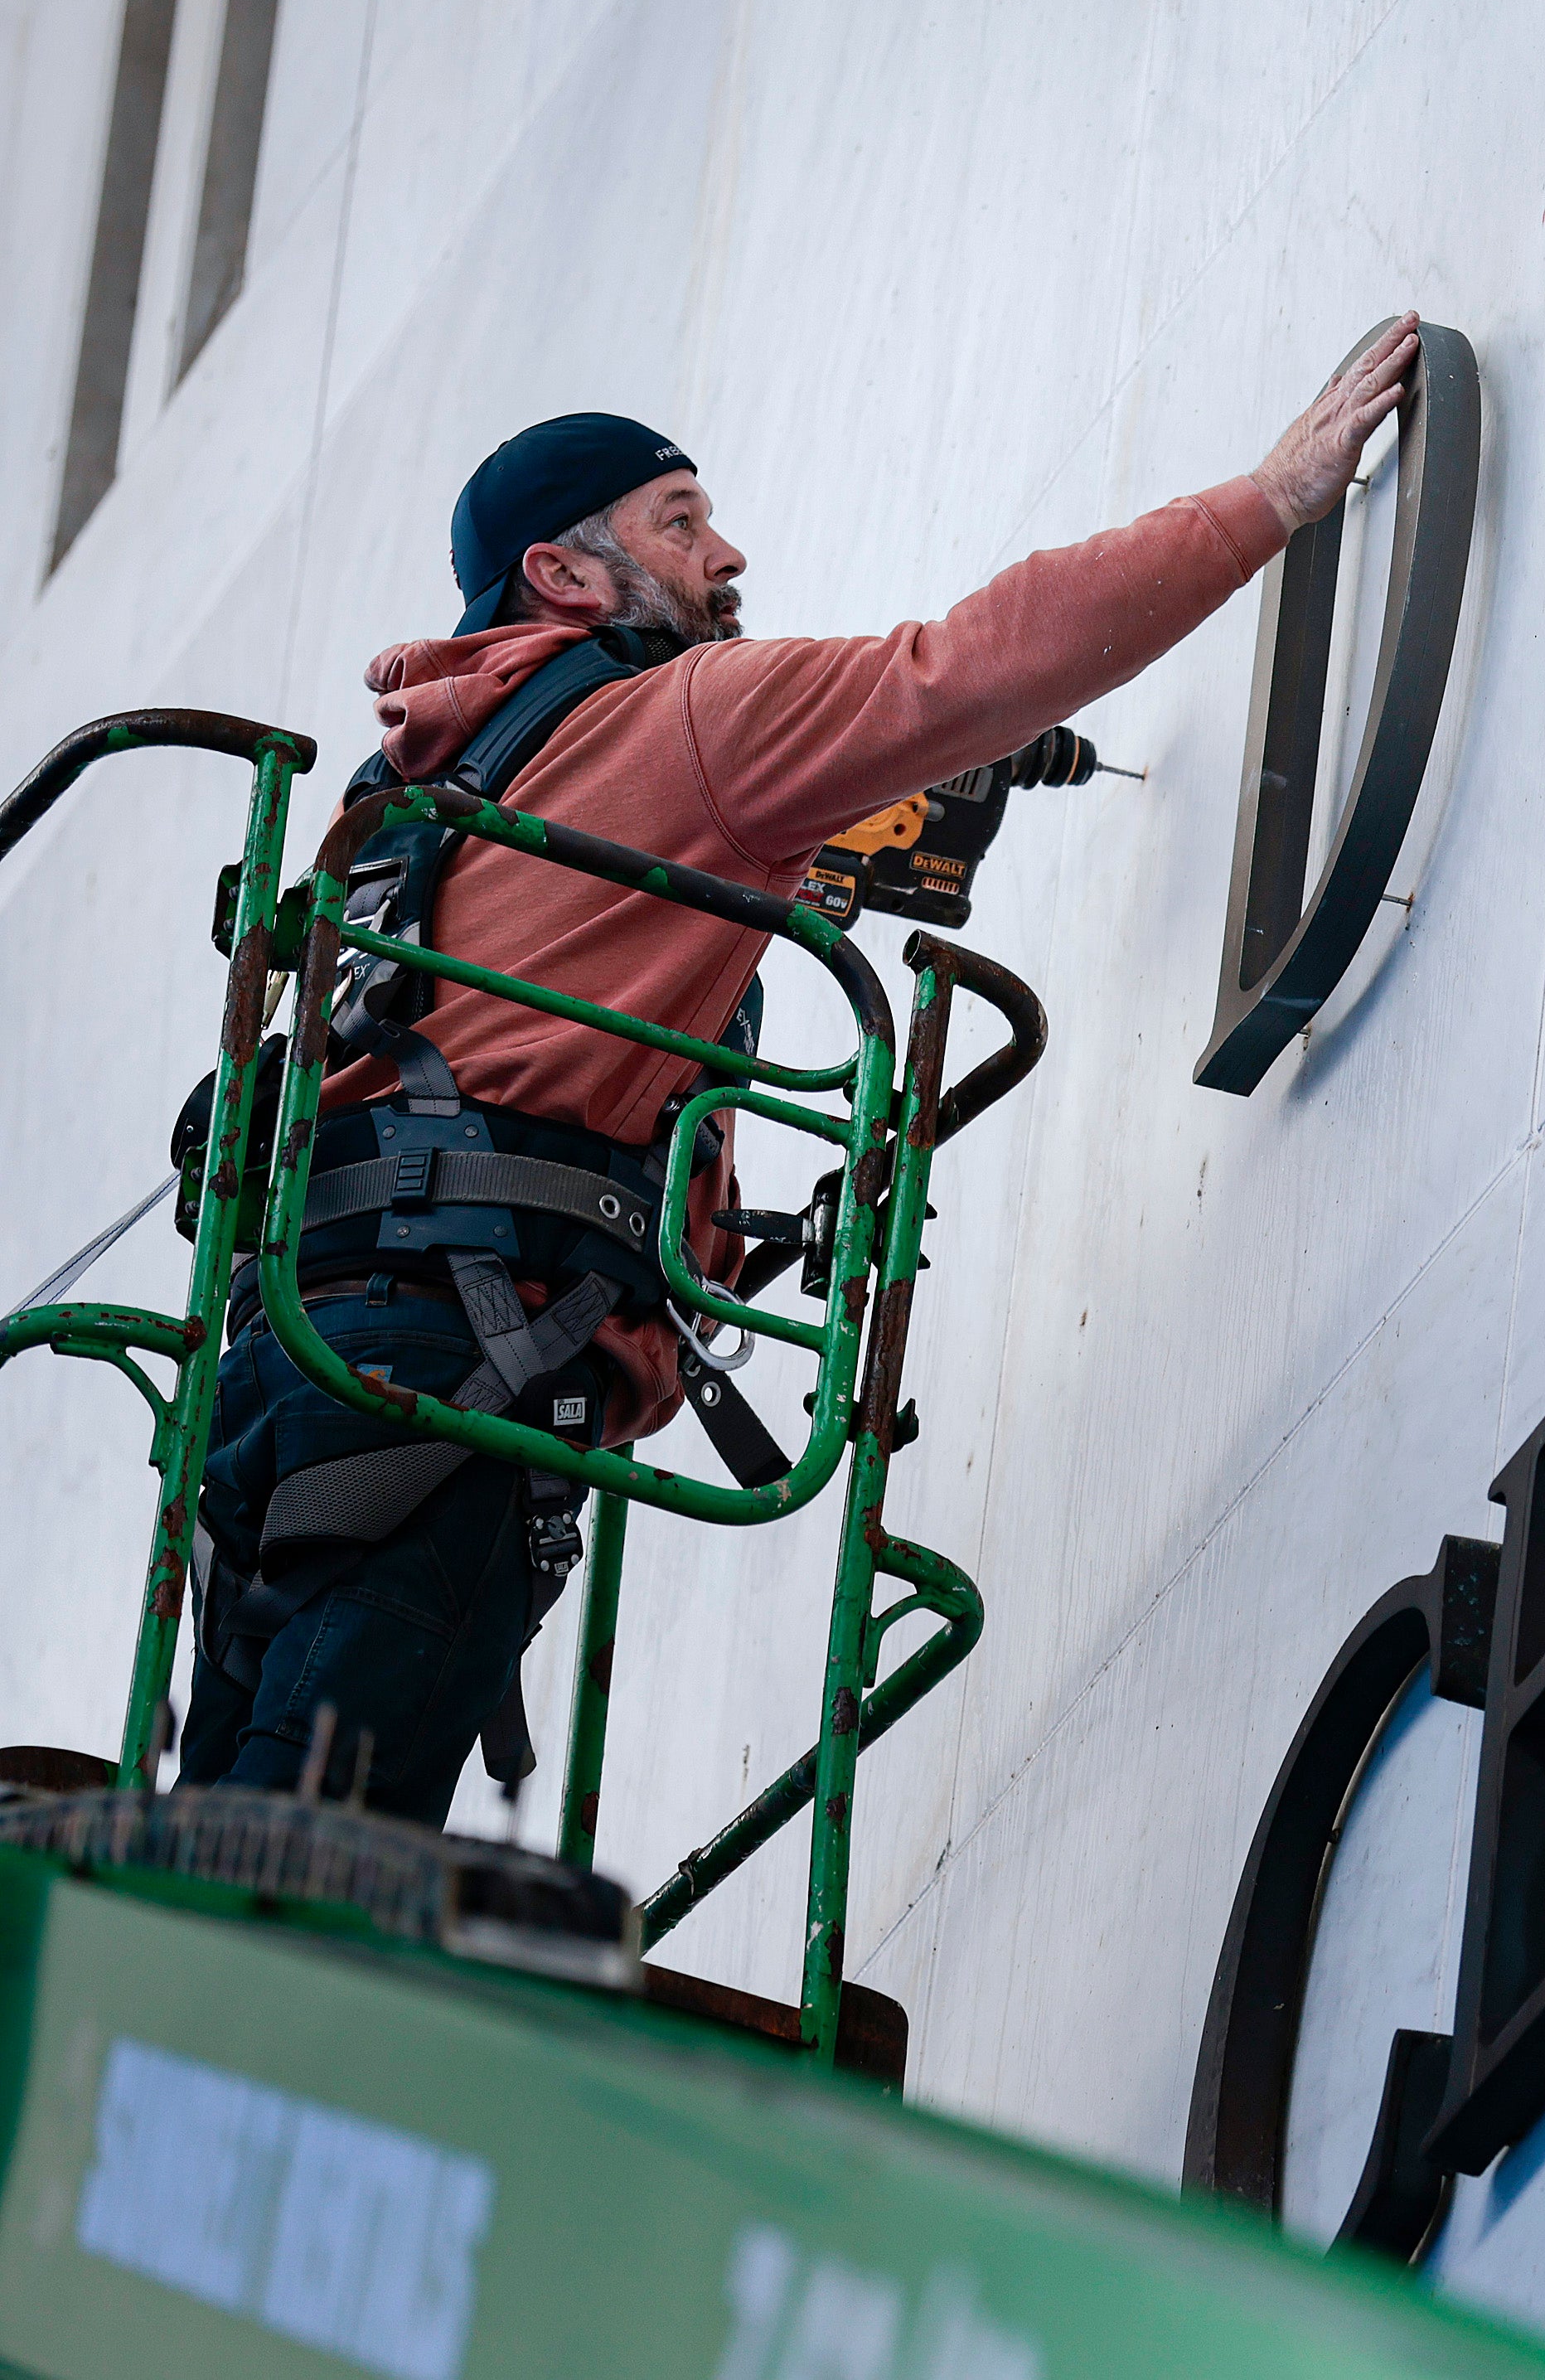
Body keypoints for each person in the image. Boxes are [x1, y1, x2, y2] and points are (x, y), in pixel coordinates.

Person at [177, 315, 1423, 1825]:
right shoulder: (687, 718)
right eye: (679, 523)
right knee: (298, 1887)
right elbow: (969, 669)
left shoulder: (408, 810)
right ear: (566, 576)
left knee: (222, 1847)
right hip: (454, 1365)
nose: (728, 557)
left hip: (287, 1371)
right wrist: (1270, 500)